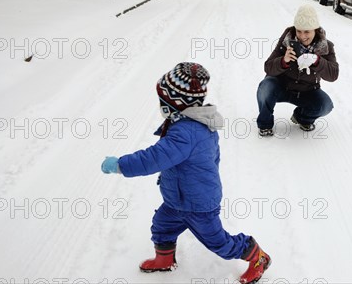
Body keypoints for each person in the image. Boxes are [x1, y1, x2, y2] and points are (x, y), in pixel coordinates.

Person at [101, 62, 271, 284]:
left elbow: (153, 158)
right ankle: (164, 260)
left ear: (175, 103)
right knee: (162, 227)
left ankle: (258, 256)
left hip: (198, 205)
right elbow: (212, 158)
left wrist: (120, 165)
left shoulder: (186, 132)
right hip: (177, 199)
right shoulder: (188, 123)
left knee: (219, 243)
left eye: (163, 99)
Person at [257, 5, 339, 137]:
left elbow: (333, 75)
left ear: (315, 30)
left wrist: (317, 61)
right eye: (299, 31)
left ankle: (302, 118)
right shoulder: (287, 40)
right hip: (282, 87)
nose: (302, 36)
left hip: (307, 90)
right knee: (265, 87)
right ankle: (265, 124)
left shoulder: (326, 46)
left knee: (326, 105)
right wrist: (283, 61)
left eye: (307, 32)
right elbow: (268, 67)